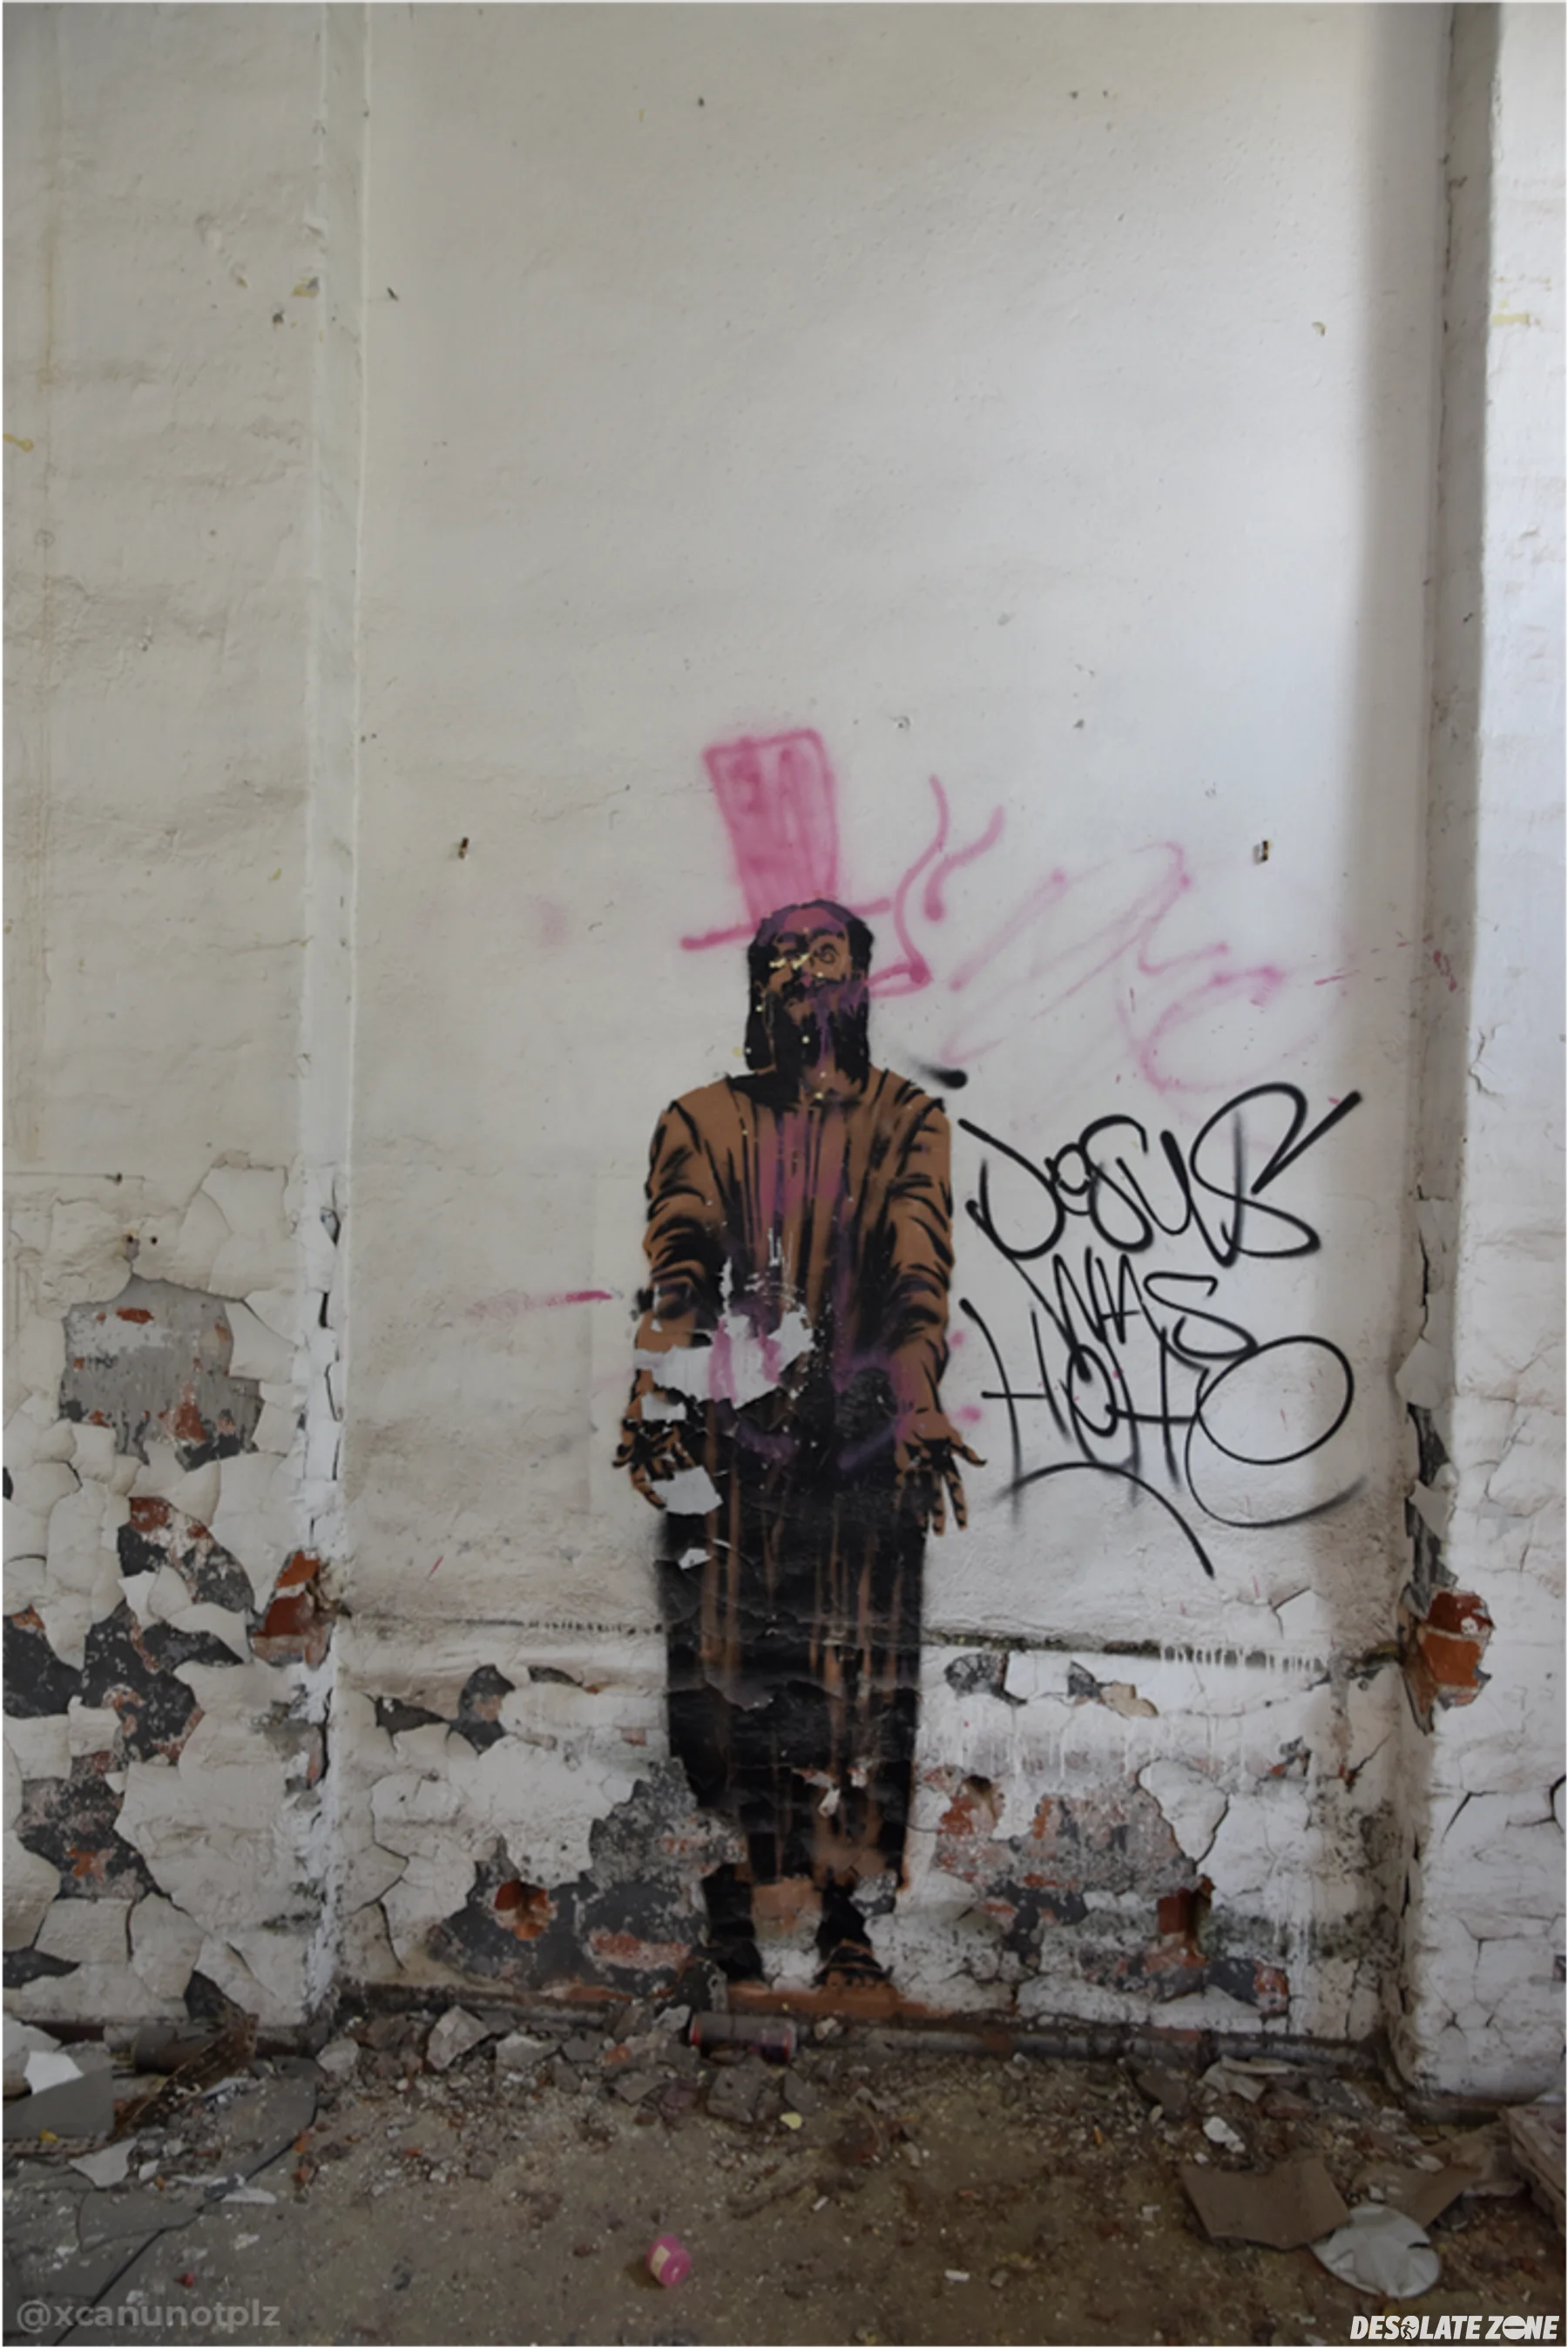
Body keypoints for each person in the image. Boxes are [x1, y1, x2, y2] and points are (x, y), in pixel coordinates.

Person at [616, 901, 979, 1981]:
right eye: (780, 960)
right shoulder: (700, 1120)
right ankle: (741, 1893)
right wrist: (658, 1396)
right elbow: (679, 1270)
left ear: (861, 981)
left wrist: (916, 1401)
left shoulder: (909, 1121)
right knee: (731, 1678)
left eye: (825, 956)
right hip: (735, 1451)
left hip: (863, 1453)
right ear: (755, 988)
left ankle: (845, 1915)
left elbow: (919, 1279)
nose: (802, 976)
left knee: (859, 1684)